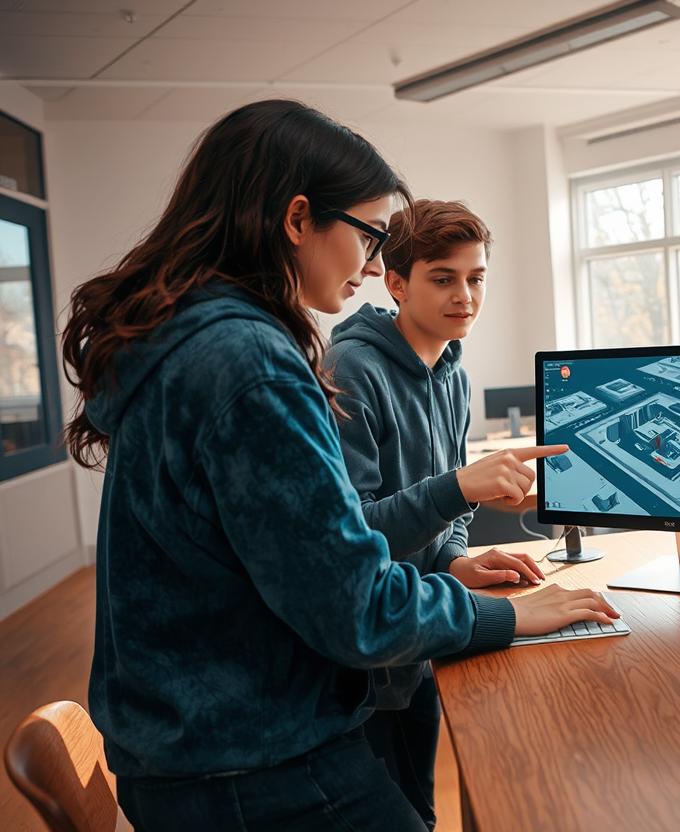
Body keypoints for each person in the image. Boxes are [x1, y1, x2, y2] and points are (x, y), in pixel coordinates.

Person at [60, 99, 616, 831]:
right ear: (297, 221)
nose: (374, 261)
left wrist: (453, 575)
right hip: (245, 765)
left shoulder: (190, 339)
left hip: (199, 747)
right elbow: (355, 606)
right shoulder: (250, 365)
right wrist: (505, 617)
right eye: (370, 236)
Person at [327, 199, 544, 828]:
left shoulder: (452, 372)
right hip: (366, 664)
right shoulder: (350, 371)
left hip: (421, 634)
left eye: (476, 278)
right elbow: (350, 537)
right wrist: (458, 486)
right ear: (396, 283)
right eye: (443, 278)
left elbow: (449, 522)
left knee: (424, 804)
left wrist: (456, 561)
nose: (466, 297)